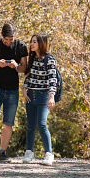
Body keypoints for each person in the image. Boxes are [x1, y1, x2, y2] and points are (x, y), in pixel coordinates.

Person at [0, 23, 28, 162]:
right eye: (6, 39)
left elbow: (24, 69)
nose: (9, 42)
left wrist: (16, 67)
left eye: (11, 40)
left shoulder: (21, 47)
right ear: (2, 36)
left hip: (12, 90)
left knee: (8, 122)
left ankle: (2, 153)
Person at [22, 34, 57, 166]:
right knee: (30, 125)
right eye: (31, 42)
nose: (31, 44)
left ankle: (49, 153)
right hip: (31, 95)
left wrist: (51, 96)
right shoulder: (32, 58)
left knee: (42, 124)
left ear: (41, 43)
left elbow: (52, 79)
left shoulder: (49, 59)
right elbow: (29, 76)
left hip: (44, 95)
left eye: (34, 42)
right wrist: (24, 89)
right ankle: (29, 152)